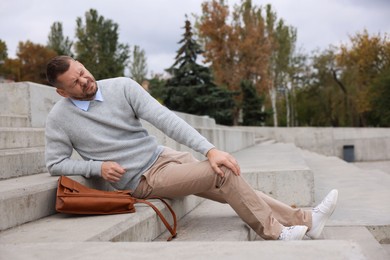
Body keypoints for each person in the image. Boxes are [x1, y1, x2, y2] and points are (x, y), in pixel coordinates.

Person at [45, 55, 338, 241]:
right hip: (142, 179)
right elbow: (55, 164)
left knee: (226, 175)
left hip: (162, 156)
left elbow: (165, 119)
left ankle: (307, 220)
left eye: (83, 72)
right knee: (223, 173)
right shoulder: (59, 118)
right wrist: (95, 167)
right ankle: (276, 233)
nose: (86, 81)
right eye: (76, 82)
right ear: (62, 91)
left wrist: (209, 149)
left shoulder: (122, 86)